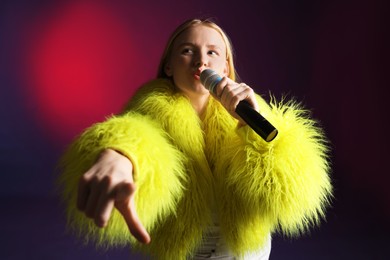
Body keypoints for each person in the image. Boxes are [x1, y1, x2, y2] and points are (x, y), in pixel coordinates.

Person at [58, 18, 332, 259]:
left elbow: (296, 187)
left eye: (212, 52)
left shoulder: (253, 107)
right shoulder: (150, 107)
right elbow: (137, 133)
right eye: (188, 51)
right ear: (168, 66)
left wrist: (252, 125)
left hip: (248, 254)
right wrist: (122, 156)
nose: (201, 61)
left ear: (225, 67)